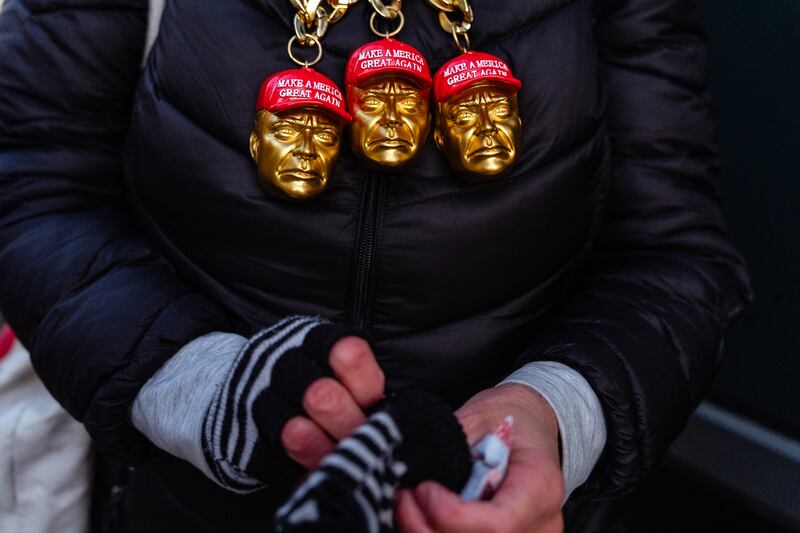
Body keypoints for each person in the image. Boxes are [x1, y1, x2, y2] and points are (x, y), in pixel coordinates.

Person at [0, 0, 752, 532]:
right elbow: (32, 184)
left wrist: (556, 411)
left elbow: (674, 254)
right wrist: (204, 385)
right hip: (175, 504)